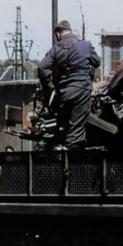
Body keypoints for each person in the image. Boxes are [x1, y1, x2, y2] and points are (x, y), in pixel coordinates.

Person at [37, 20, 100, 149]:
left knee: (65, 124)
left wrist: (50, 86)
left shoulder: (56, 49)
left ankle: (66, 148)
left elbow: (42, 67)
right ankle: (72, 158)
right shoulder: (85, 45)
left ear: (58, 34)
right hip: (82, 89)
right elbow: (97, 62)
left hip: (64, 92)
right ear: (70, 31)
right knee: (77, 126)